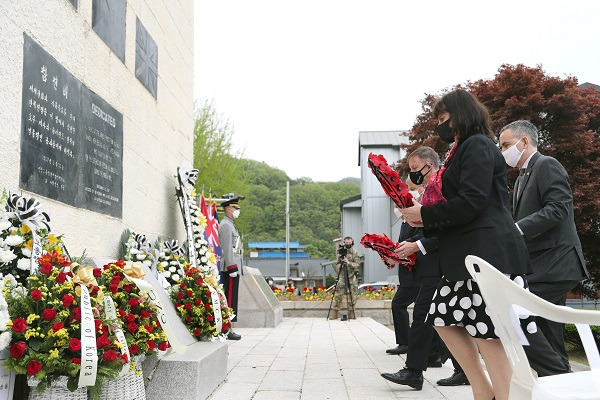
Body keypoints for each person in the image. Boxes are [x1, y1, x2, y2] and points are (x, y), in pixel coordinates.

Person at [401, 89, 533, 400]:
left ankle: (500, 395)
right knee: (443, 319)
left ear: (459, 114)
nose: (440, 125)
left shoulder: (477, 146)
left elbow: (472, 201)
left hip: (487, 255)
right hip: (467, 256)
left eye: (443, 118)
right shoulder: (462, 149)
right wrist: (425, 216)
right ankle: (483, 390)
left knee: (489, 335)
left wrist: (426, 213)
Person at [499, 120, 589, 374]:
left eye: (506, 144)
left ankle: (556, 373)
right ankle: (562, 381)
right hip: (541, 264)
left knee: (511, 312)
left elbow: (559, 207)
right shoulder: (520, 178)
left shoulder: (546, 164)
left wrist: (517, 228)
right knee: (549, 327)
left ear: (524, 141)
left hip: (557, 262)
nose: (503, 151)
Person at [381, 147, 446, 390]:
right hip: (427, 265)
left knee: (430, 317)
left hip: (440, 264)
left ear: (429, 165)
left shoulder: (441, 188)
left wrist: (416, 245)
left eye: (416, 169)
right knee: (435, 319)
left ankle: (417, 369)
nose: (414, 176)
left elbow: (445, 230)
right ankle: (419, 368)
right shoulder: (432, 190)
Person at [218, 193, 245, 340]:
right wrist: (232, 267)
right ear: (228, 209)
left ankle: (228, 327)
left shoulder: (230, 225)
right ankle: (227, 329)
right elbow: (228, 249)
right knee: (228, 299)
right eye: (236, 207)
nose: (238, 210)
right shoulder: (226, 226)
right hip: (230, 268)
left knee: (232, 299)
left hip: (233, 266)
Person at [330, 236, 362, 320]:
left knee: (353, 294)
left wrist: (348, 263)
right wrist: (340, 265)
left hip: (351, 275)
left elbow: (357, 264)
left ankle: (351, 313)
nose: (348, 244)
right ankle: (335, 313)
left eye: (349, 243)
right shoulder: (341, 253)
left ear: (352, 243)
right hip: (342, 275)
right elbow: (337, 264)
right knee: (338, 293)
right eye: (346, 243)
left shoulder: (355, 253)